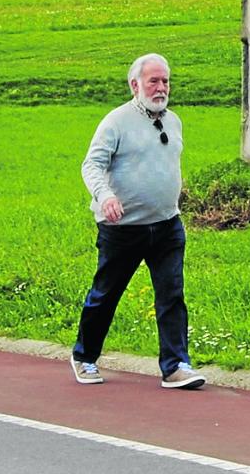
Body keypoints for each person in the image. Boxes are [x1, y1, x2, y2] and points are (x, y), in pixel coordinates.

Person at [71, 53, 205, 389]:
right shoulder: (116, 122)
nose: (161, 88)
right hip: (123, 229)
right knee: (106, 294)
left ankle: (176, 365)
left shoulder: (173, 121)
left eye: (165, 81)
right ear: (135, 85)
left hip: (167, 226)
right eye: (153, 81)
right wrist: (106, 196)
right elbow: (91, 165)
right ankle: (84, 356)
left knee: (172, 294)